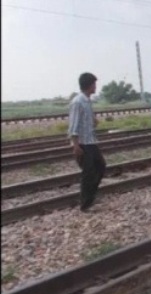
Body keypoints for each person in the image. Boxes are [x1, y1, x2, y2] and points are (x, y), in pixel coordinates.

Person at [68, 72, 106, 212]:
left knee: (100, 167)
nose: (96, 86)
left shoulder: (87, 101)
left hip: (91, 141)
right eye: (94, 84)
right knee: (88, 173)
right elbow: (74, 125)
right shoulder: (78, 102)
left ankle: (90, 198)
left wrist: (93, 121)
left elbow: (87, 120)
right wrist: (75, 145)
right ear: (90, 85)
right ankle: (85, 204)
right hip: (83, 143)